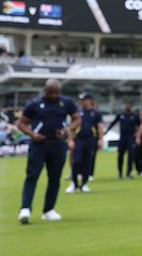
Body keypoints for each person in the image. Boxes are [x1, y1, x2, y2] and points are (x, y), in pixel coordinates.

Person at [16, 79, 82, 223]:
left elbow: (77, 119)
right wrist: (32, 134)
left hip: (58, 145)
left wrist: (67, 129)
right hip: (39, 145)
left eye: (57, 93)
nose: (54, 96)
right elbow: (21, 123)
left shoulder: (66, 102)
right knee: (32, 176)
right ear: (45, 91)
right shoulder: (34, 104)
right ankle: (25, 209)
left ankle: (49, 210)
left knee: (54, 178)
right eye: (51, 93)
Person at [67, 92, 104, 194]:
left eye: (83, 99)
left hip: (90, 140)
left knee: (88, 162)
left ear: (89, 100)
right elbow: (72, 127)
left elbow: (100, 127)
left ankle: (84, 184)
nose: (81, 102)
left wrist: (101, 139)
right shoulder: (77, 113)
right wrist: (70, 140)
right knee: (77, 161)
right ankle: (74, 183)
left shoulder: (96, 113)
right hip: (78, 140)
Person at [105, 101, 140, 178]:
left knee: (131, 156)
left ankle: (128, 173)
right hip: (122, 137)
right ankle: (120, 172)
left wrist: (138, 136)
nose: (128, 106)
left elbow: (139, 126)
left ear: (131, 106)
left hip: (131, 138)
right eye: (127, 105)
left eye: (129, 105)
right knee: (120, 155)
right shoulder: (121, 115)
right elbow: (113, 123)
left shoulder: (134, 116)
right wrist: (106, 131)